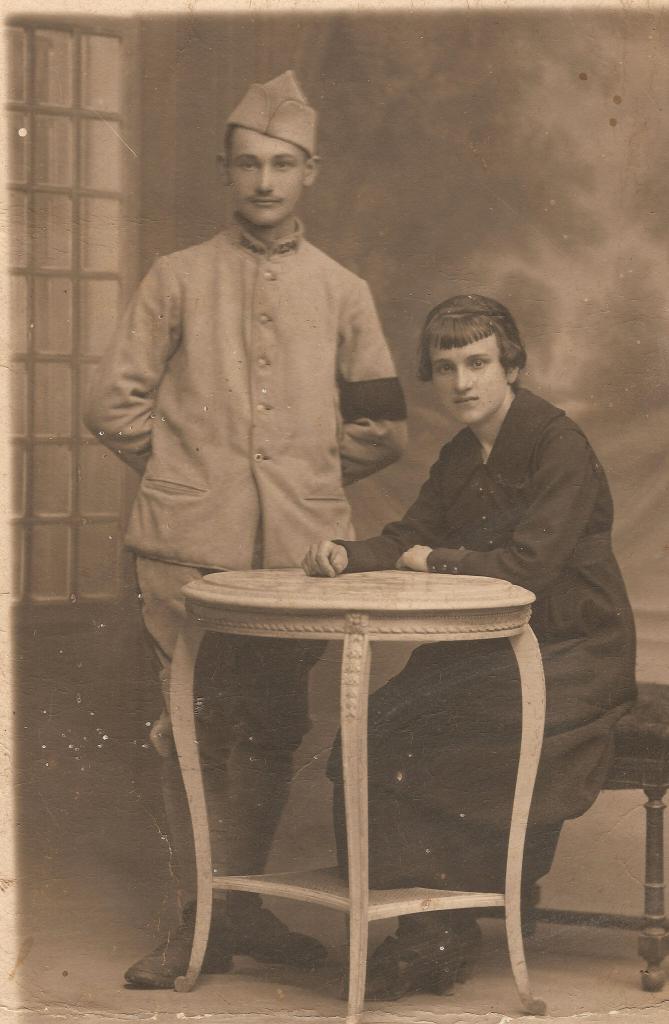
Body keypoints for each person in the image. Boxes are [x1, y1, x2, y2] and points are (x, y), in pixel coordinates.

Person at [85, 70, 407, 989]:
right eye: (248, 164)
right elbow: (111, 405)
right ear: (224, 170)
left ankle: (240, 908)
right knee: (190, 729)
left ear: (310, 172)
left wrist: (301, 478)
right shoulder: (176, 276)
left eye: (282, 164)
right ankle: (196, 918)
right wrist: (188, 476)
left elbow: (383, 428)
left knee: (269, 729)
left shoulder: (343, 291)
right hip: (184, 555)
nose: (264, 181)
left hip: (300, 561)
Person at [303, 294, 637, 1001]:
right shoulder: (461, 453)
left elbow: (529, 566)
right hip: (489, 646)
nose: (462, 381)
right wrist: (347, 553)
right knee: (379, 725)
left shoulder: (556, 443)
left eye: (478, 362)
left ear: (510, 365)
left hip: (576, 649)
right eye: (447, 366)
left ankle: (448, 926)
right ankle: (427, 924)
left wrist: (434, 562)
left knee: (443, 737)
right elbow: (407, 534)